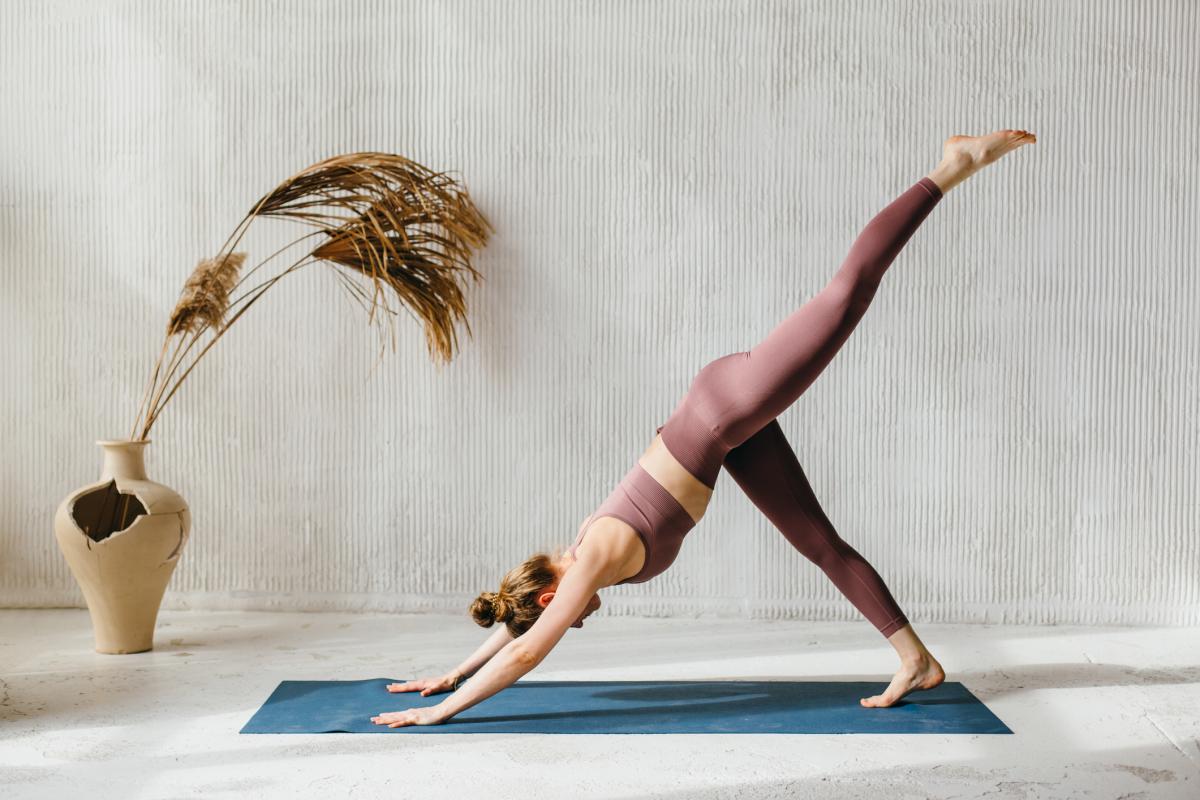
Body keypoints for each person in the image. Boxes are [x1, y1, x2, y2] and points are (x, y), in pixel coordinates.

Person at [372, 128, 1037, 728]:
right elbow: (519, 631)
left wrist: (446, 713)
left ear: (553, 594)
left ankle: (951, 167)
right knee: (822, 545)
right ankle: (915, 658)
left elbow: (526, 653)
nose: (571, 622)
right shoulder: (572, 562)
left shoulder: (596, 555)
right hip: (728, 435)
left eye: (561, 617)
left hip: (726, 408)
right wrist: (453, 670)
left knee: (846, 294)